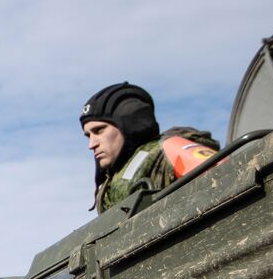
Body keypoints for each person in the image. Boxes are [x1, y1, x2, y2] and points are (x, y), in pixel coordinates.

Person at [81, 82, 220, 213]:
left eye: (99, 130)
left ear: (128, 124)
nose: (91, 144)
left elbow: (225, 176)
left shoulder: (169, 148)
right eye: (88, 136)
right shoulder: (109, 187)